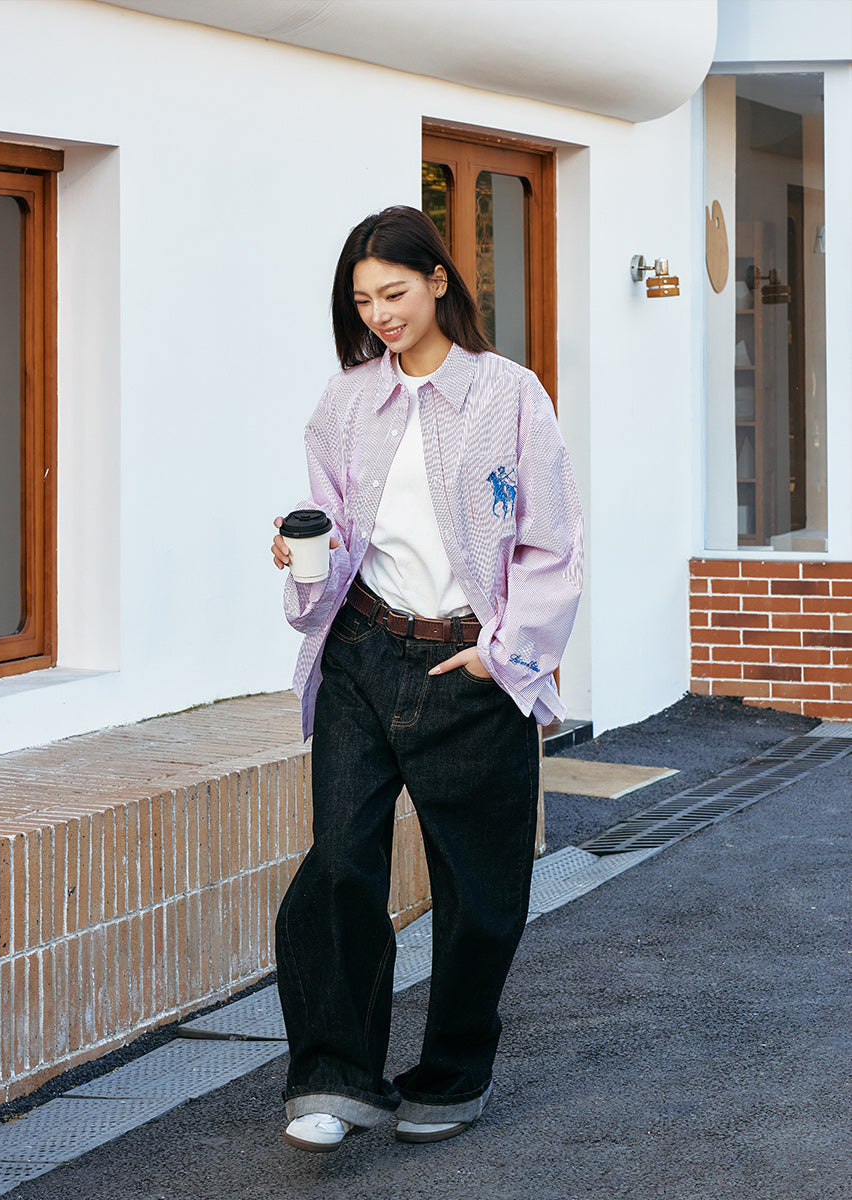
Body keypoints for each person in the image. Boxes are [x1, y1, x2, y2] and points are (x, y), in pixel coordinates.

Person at [270, 205, 583, 1152]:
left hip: (471, 668)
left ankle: (451, 1075)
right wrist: (299, 556)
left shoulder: (510, 395)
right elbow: (330, 527)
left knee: (479, 888)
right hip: (364, 653)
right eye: (364, 300)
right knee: (339, 864)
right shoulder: (344, 402)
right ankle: (334, 1078)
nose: (381, 315)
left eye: (395, 292)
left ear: (439, 281)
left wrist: (504, 654)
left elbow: (552, 540)